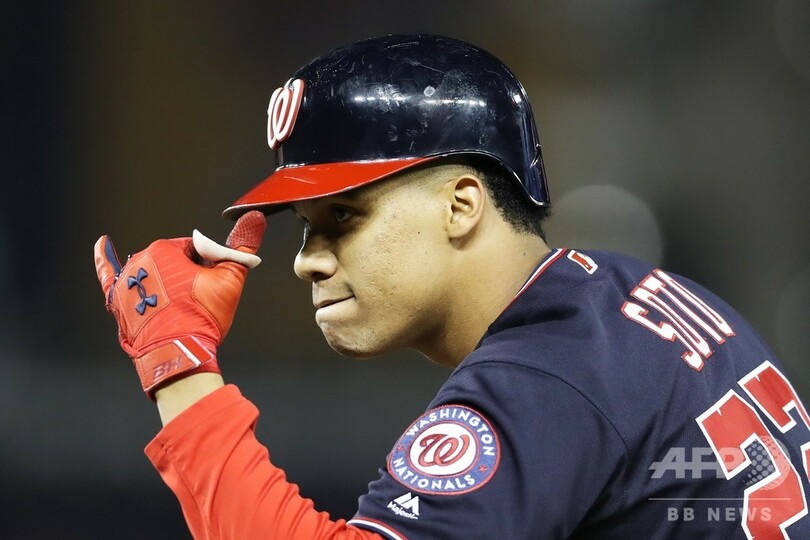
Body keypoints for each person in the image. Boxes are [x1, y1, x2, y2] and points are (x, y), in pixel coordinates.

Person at [93, 34, 810, 539]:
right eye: (307, 228)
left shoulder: (541, 376)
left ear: (461, 204)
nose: (308, 261)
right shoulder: (632, 300)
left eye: (344, 217)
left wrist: (179, 365)